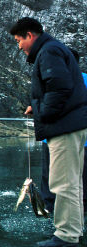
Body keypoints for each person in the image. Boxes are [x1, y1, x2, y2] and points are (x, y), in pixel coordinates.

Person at [10, 17, 87, 247]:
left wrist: (43, 114)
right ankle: (74, 230)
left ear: (29, 36)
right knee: (73, 183)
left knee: (63, 184)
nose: (19, 46)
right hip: (72, 125)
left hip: (64, 127)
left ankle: (65, 236)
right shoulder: (53, 49)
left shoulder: (48, 51)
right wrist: (39, 105)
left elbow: (60, 87)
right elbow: (60, 87)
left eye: (18, 41)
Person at [40, 49, 87, 214]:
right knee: (80, 176)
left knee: (51, 176)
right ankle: (80, 207)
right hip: (81, 138)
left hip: (55, 137)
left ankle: (50, 207)